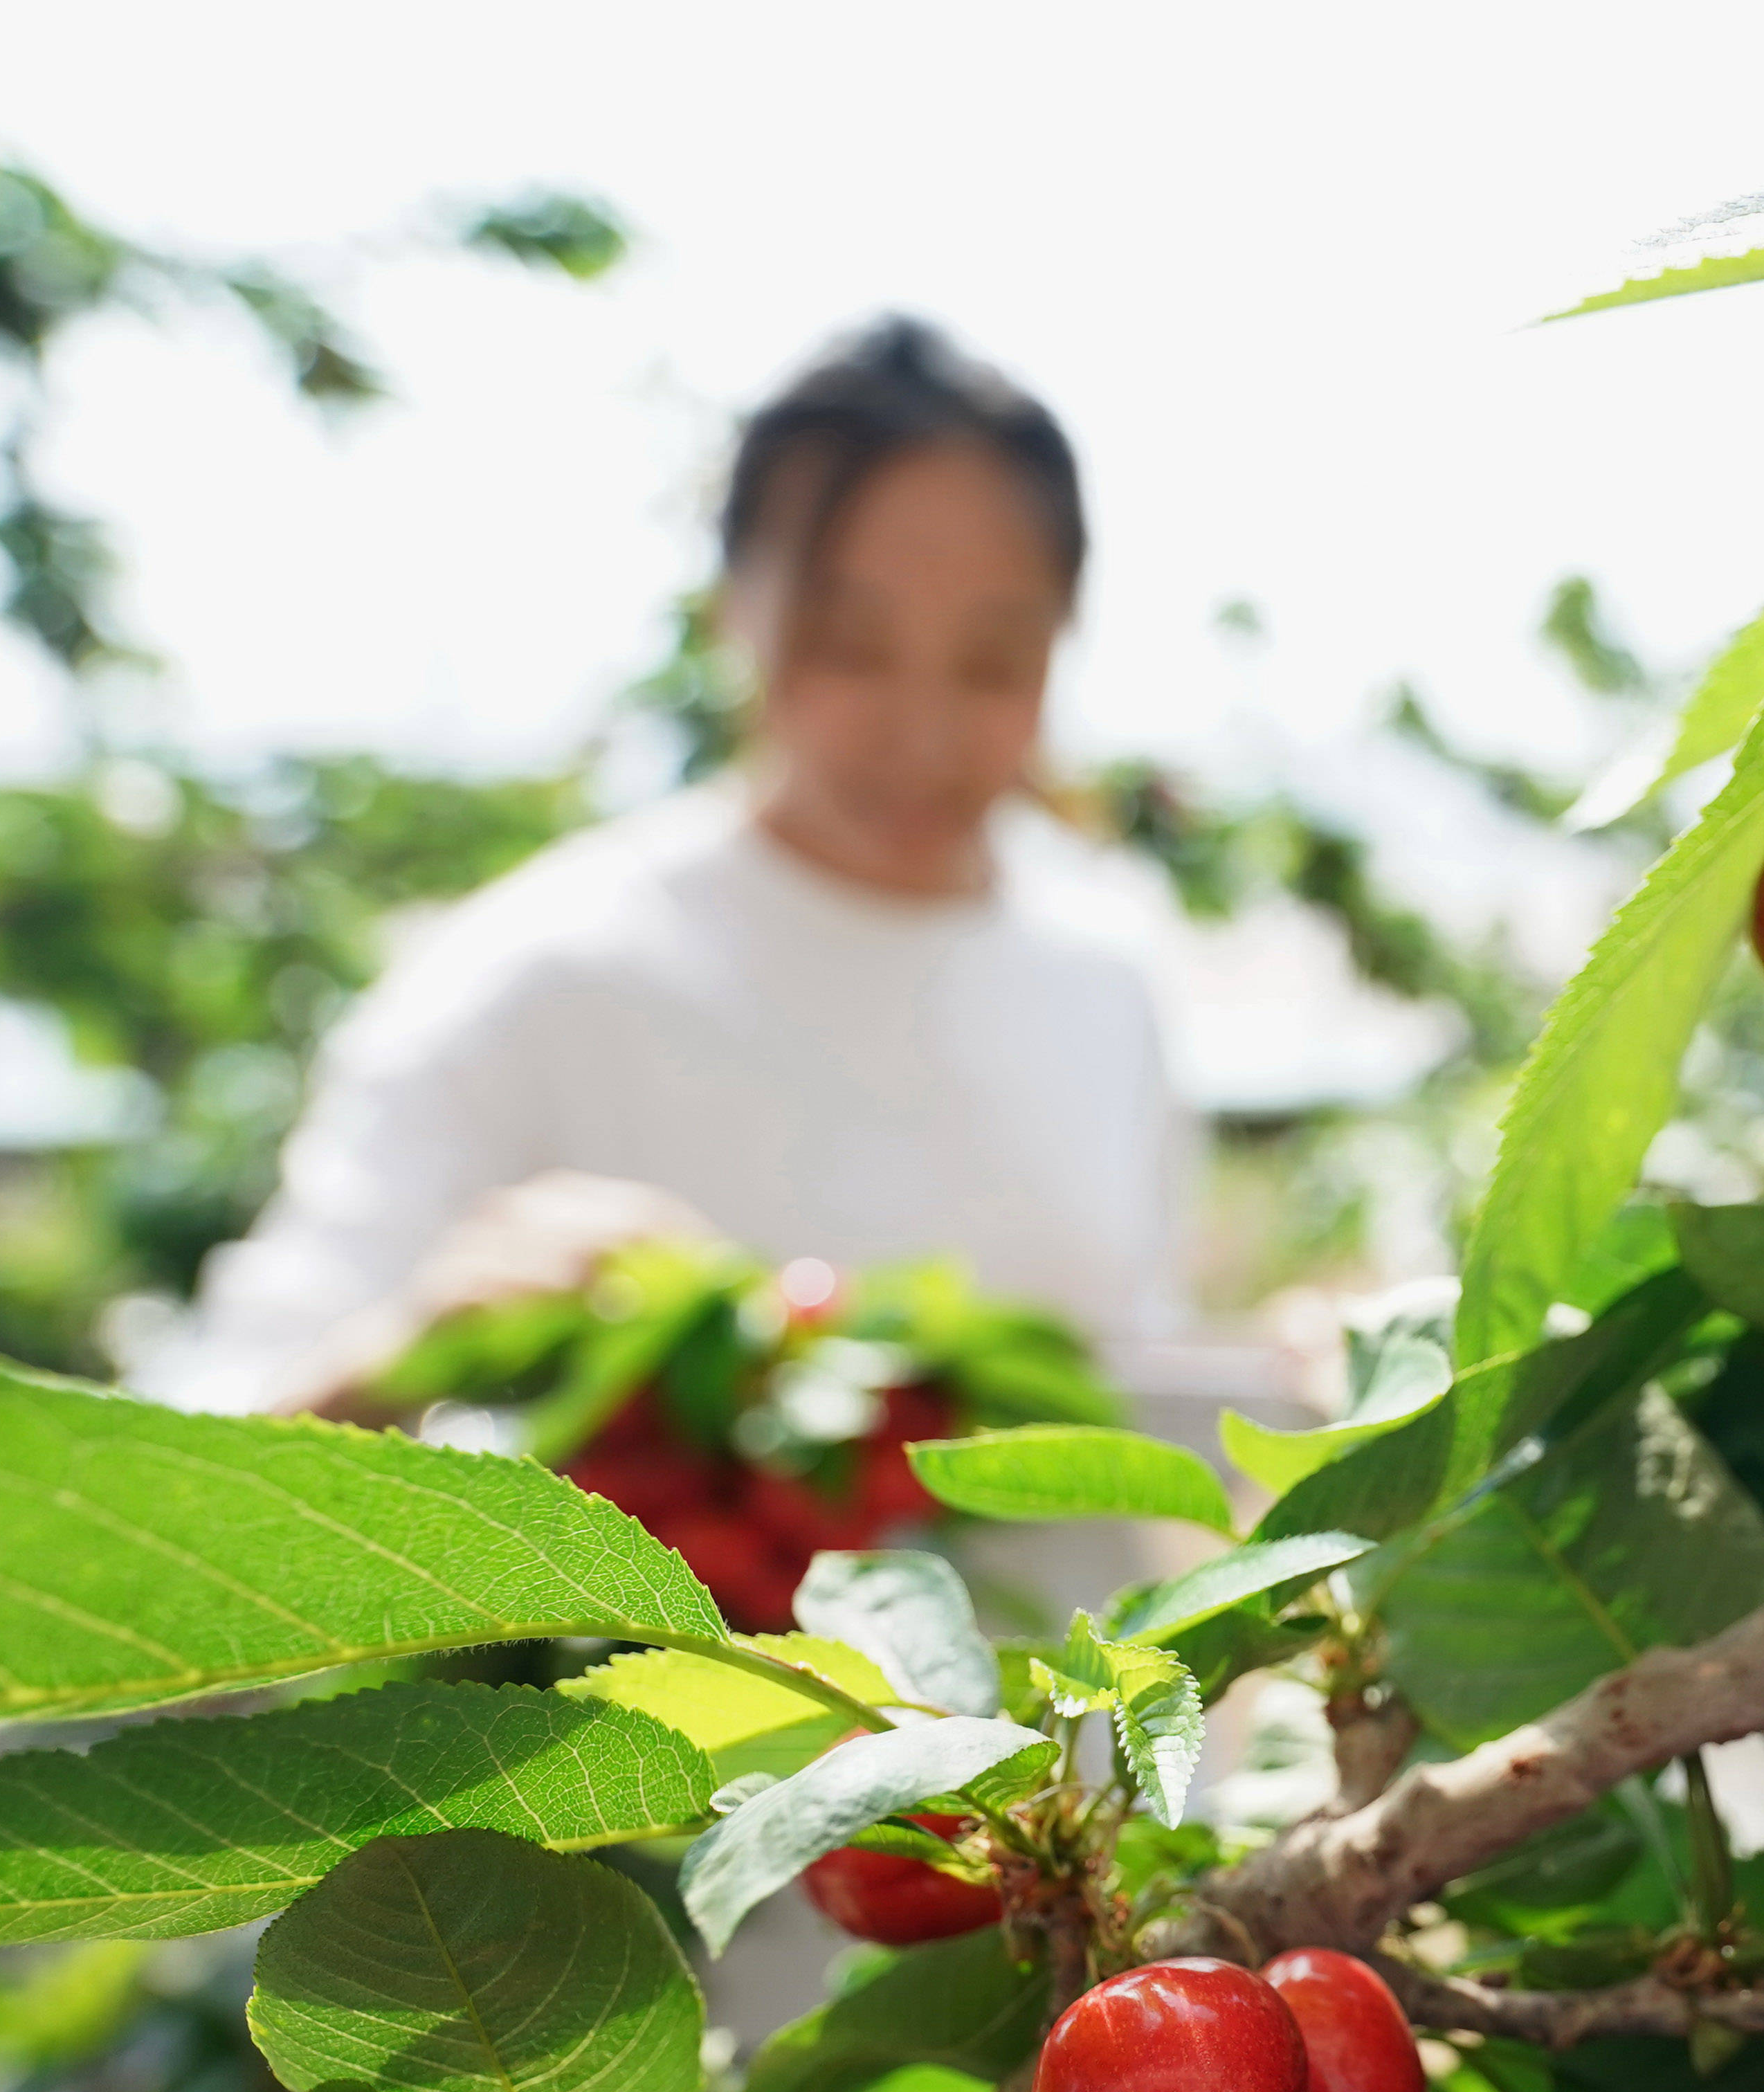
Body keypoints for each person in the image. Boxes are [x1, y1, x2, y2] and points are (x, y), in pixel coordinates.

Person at [134, 318, 1206, 1418]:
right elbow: (219, 1438)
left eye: (993, 663)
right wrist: (418, 1338)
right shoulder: (548, 970)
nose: (922, 733)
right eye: (850, 648)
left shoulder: (1105, 973)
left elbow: (1142, 1385)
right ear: (734, 612)